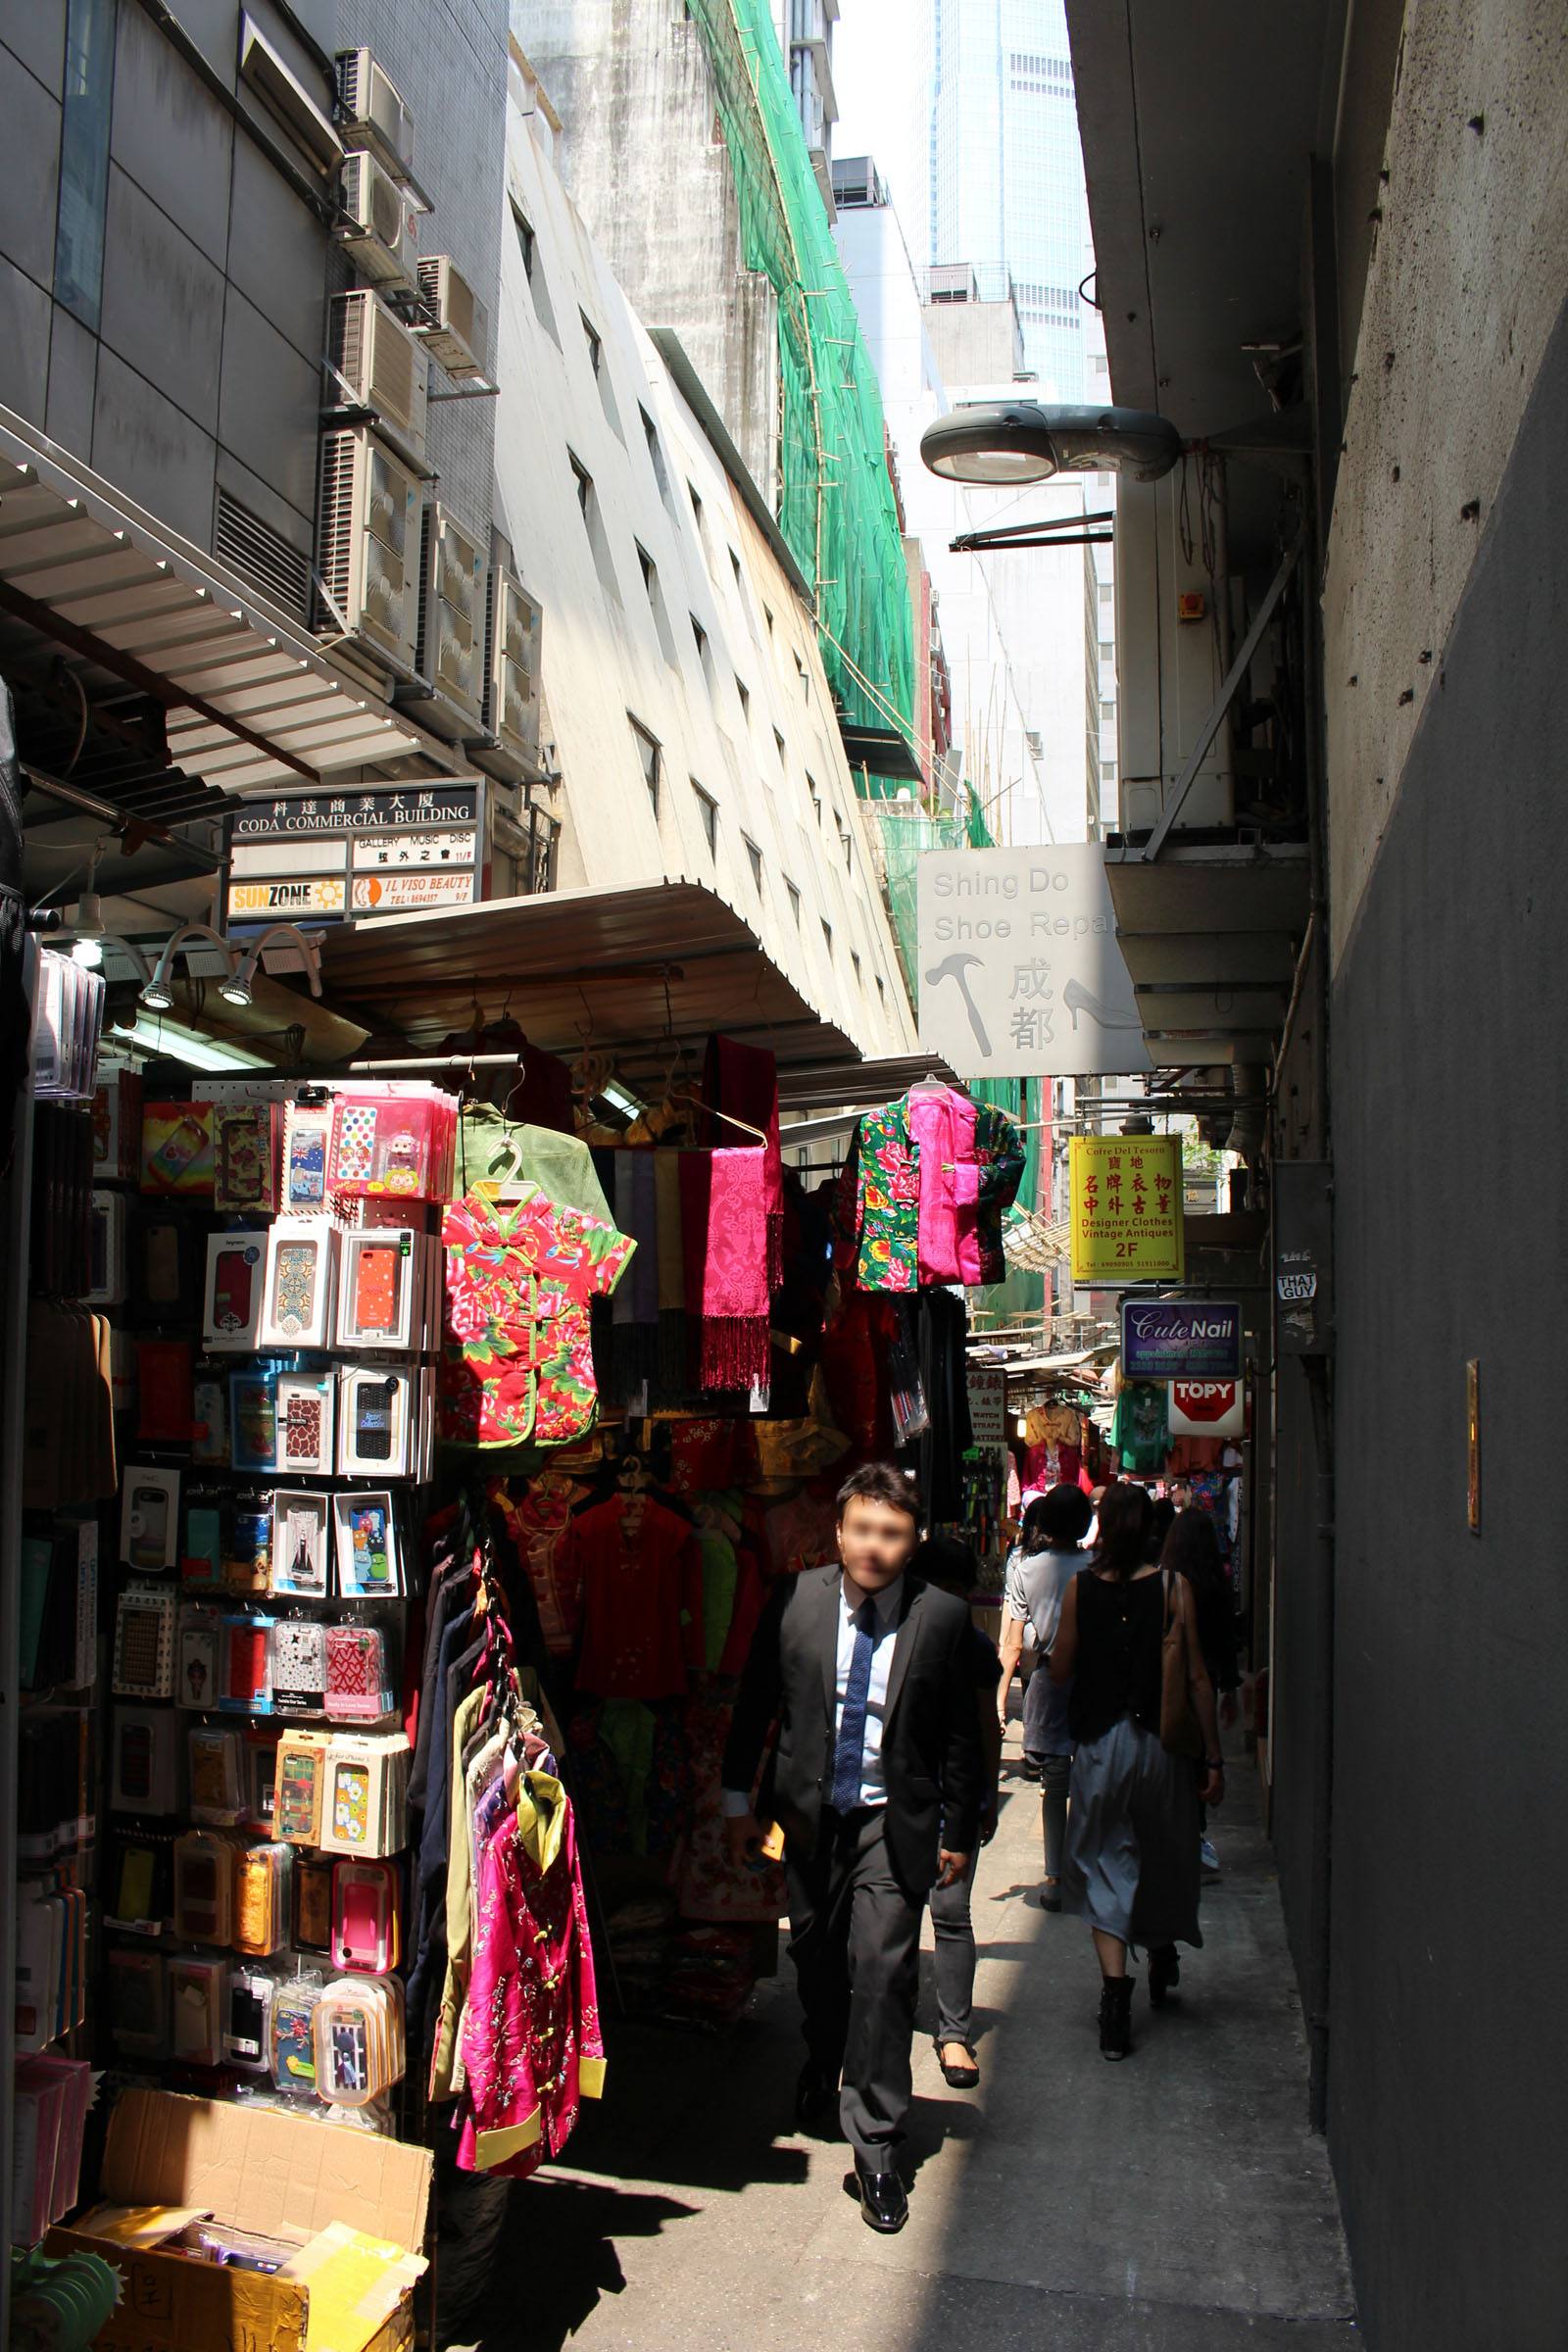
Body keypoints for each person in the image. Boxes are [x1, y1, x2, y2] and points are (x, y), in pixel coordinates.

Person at [722, 1464, 981, 2233]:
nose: (875, 1547)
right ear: (839, 1534)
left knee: (884, 1968)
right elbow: (756, 1705)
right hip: (806, 1820)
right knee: (819, 1959)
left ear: (914, 1541)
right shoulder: (796, 1601)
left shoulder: (941, 1619)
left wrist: (960, 1834)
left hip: (889, 1823)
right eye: (863, 1530)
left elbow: (964, 1738)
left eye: (892, 1534)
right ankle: (822, 2055)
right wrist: (738, 1803)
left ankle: (876, 2143)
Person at [1050, 1480, 1223, 2060]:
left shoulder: (1079, 1590)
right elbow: (1198, 1678)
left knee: (1104, 1859)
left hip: (1101, 1746)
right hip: (1163, 1749)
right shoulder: (1175, 1588)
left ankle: (1115, 1996)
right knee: (1163, 1849)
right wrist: (1213, 1758)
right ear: (1151, 1529)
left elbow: (1060, 1670)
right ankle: (1163, 1947)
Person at [910, 1534, 1003, 2092]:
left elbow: (985, 1730)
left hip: (952, 1799)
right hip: (898, 1797)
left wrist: (983, 1800)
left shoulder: (972, 1649)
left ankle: (953, 2032)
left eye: (956, 1591)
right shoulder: (897, 1636)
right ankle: (920, 2021)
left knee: (949, 1912)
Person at [996, 1486, 1094, 1910]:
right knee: (1092, 1781)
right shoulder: (1098, 1567)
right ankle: (1089, 1870)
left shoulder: (1027, 1569)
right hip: (1095, 1679)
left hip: (1050, 1677)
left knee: (1054, 1785)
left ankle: (1054, 1876)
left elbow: (1014, 1641)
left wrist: (1000, 1697)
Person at [1159, 1506, 1243, 1877]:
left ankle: (1174, 1841)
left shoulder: (1165, 1582)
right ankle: (1192, 1837)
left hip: (1169, 1684)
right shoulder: (1216, 1583)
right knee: (1199, 1764)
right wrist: (1230, 1687)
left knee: (1172, 1762)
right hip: (1203, 1679)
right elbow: (1226, 1640)